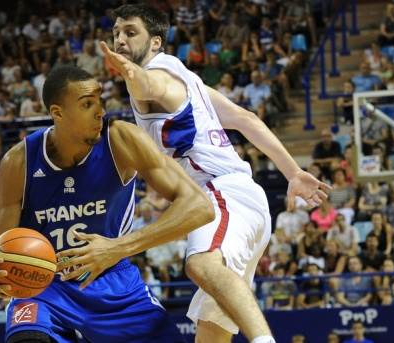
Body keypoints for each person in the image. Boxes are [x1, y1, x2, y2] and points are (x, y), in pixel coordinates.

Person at [59, 4, 330, 343]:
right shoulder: (190, 79)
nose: (120, 39)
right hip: (237, 202)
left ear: (156, 42)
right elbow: (246, 119)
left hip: (221, 196)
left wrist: (132, 74)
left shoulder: (154, 75)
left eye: (130, 32)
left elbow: (149, 86)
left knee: (200, 264)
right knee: (210, 335)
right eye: (116, 33)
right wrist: (293, 173)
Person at [0, 66, 215, 342]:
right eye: (87, 104)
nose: (100, 111)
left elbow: (199, 206)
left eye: (100, 101)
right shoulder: (18, 162)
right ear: (57, 113)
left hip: (114, 281)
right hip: (44, 286)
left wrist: (118, 248)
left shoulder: (122, 140)